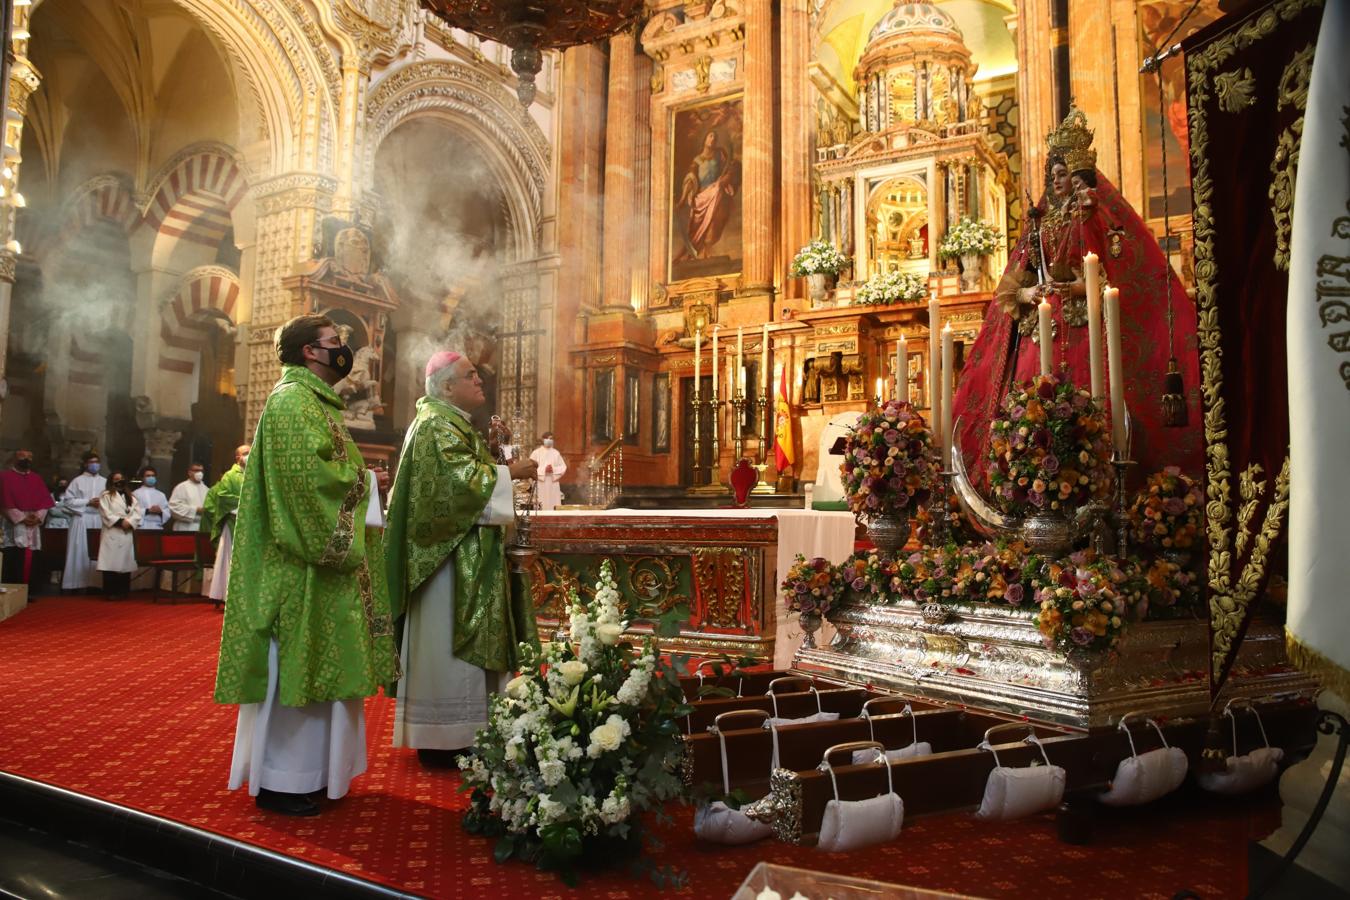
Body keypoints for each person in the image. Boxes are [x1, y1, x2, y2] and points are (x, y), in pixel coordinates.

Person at [952, 108, 1203, 486]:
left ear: (1078, 177)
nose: (1055, 181)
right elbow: (1011, 287)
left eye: (1062, 174)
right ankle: (1027, 485)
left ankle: (1098, 486)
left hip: (1084, 328)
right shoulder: (1039, 225)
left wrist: (1068, 287)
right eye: (1051, 175)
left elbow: (1101, 278)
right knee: (1029, 412)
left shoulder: (1091, 216)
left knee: (1089, 402)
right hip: (1041, 331)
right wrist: (1031, 291)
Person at [214, 314, 398, 817]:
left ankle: (311, 776)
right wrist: (367, 484)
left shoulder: (315, 403)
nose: (344, 352)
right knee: (296, 669)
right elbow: (307, 487)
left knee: (318, 670)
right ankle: (282, 781)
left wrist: (360, 479)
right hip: (299, 569)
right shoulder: (293, 401)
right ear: (311, 352)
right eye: (336, 343)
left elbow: (328, 473)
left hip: (317, 571)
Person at [384, 351, 538, 764]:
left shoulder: (449, 423)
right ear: (447, 385)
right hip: (445, 564)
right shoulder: (436, 424)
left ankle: (467, 731)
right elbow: (458, 488)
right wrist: (512, 473)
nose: (479, 381)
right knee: (446, 643)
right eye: (470, 375)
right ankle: (443, 737)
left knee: (454, 647)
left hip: (458, 553)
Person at [202, 444, 249, 603]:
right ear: (238, 457)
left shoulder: (255, 474)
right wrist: (245, 503)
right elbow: (222, 497)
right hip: (232, 522)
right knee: (230, 560)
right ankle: (228, 595)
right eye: (246, 453)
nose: (250, 455)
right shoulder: (230, 475)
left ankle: (246, 596)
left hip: (250, 524)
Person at [0, 449, 53, 586]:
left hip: (33, 524)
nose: (27, 459)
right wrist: (22, 518)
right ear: (14, 458)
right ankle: (12, 588)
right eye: (23, 456)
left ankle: (29, 589)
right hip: (14, 524)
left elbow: (44, 502)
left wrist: (38, 517)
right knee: (13, 555)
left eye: (30, 457)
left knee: (32, 556)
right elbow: (4, 501)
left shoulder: (36, 478)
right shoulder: (4, 477)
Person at [62, 451, 106, 591]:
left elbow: (112, 501)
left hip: (99, 519)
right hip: (82, 518)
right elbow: (68, 501)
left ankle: (96, 584)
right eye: (91, 462)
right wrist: (87, 502)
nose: (95, 465)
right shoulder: (77, 481)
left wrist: (101, 503)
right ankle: (76, 583)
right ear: (86, 464)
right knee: (79, 550)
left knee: (97, 551)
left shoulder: (105, 482)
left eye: (97, 462)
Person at [96, 471, 141, 598]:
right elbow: (106, 513)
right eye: (116, 479)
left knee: (125, 563)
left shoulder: (131, 497)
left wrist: (130, 522)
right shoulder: (106, 495)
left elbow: (137, 513)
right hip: (112, 531)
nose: (119, 481)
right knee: (111, 563)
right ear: (111, 481)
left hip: (127, 533)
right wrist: (121, 522)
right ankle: (110, 592)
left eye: (121, 479)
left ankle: (123, 591)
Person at [529, 432, 567, 511]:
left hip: (553, 483)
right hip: (540, 483)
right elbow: (530, 468)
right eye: (547, 438)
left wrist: (553, 469)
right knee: (541, 504)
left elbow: (563, 467)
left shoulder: (556, 453)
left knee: (553, 504)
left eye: (551, 439)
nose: (549, 440)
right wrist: (544, 470)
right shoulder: (536, 453)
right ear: (543, 439)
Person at [168, 463, 208, 531]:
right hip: (185, 526)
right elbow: (174, 507)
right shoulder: (181, 487)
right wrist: (196, 510)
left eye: (202, 471)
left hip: (202, 527)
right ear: (189, 473)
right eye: (196, 470)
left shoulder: (206, 489)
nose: (200, 473)